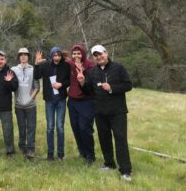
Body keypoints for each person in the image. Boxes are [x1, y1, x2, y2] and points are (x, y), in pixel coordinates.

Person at [77, 45, 133, 181]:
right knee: (104, 139)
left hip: (117, 112)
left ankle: (125, 171)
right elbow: (88, 91)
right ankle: (109, 164)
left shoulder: (119, 68)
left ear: (106, 53)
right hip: (100, 112)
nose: (98, 57)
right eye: (95, 55)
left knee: (120, 140)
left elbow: (128, 85)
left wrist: (112, 88)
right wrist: (82, 82)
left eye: (100, 54)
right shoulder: (92, 72)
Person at [34, 47, 71, 160]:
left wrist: (62, 85)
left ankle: (60, 154)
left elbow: (69, 80)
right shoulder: (45, 65)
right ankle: (50, 154)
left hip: (61, 99)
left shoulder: (66, 66)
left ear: (61, 56)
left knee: (60, 127)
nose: (57, 58)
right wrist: (36, 64)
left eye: (59, 55)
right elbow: (36, 76)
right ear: (51, 56)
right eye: (55, 55)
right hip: (49, 100)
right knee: (50, 127)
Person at [67, 44, 95, 164]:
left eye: (78, 53)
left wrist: (83, 76)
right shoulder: (70, 65)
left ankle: (90, 154)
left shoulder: (90, 65)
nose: (76, 56)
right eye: (74, 53)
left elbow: (91, 86)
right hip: (72, 101)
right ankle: (82, 151)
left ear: (83, 54)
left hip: (86, 101)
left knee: (85, 128)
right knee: (76, 128)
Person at [11, 48, 40, 160]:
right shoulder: (14, 69)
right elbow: (11, 84)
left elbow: (37, 87)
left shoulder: (33, 69)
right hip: (18, 105)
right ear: (19, 57)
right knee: (21, 126)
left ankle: (31, 149)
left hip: (30, 105)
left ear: (28, 56)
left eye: (25, 55)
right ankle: (22, 146)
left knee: (31, 127)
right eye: (21, 55)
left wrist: (30, 99)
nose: (23, 56)